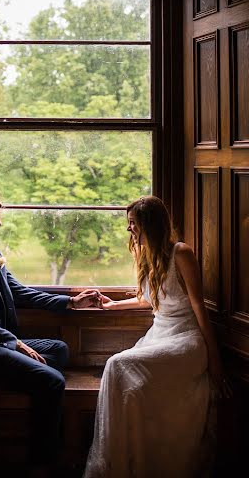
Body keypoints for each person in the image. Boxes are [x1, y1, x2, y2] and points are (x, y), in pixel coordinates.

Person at [0, 180, 101, 478]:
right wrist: (13, 342)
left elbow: (18, 291)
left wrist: (71, 302)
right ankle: (41, 463)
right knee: (52, 381)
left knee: (60, 349)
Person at [83, 195, 231, 478]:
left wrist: (215, 359)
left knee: (116, 364)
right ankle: (128, 461)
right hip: (159, 335)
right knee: (124, 380)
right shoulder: (143, 253)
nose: (129, 229)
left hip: (186, 339)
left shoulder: (181, 254)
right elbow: (146, 300)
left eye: (132, 223)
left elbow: (199, 308)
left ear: (149, 224)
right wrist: (111, 304)